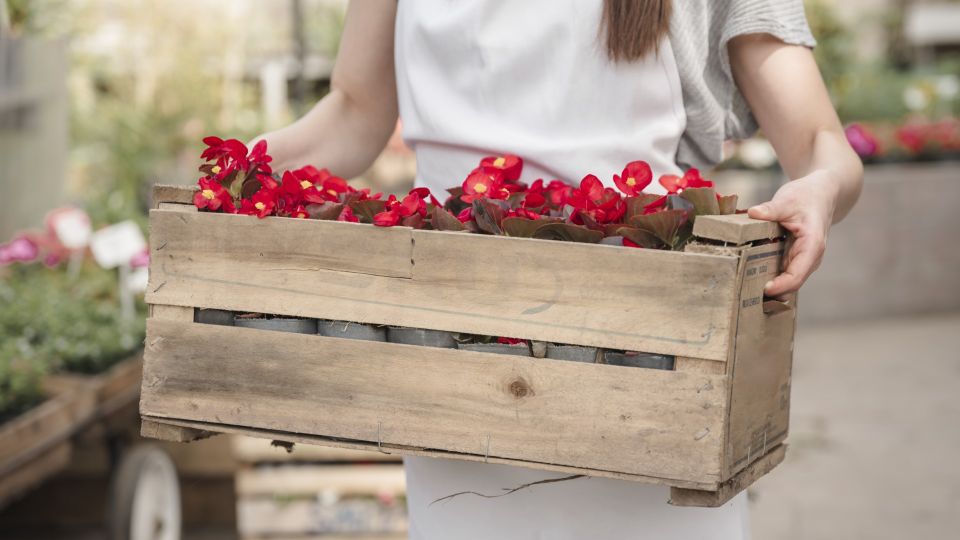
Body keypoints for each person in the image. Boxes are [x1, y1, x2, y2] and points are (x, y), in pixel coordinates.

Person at [254, 1, 863, 538]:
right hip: (451, 344)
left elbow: (816, 139)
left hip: (645, 348)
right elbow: (356, 113)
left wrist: (822, 188)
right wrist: (234, 169)